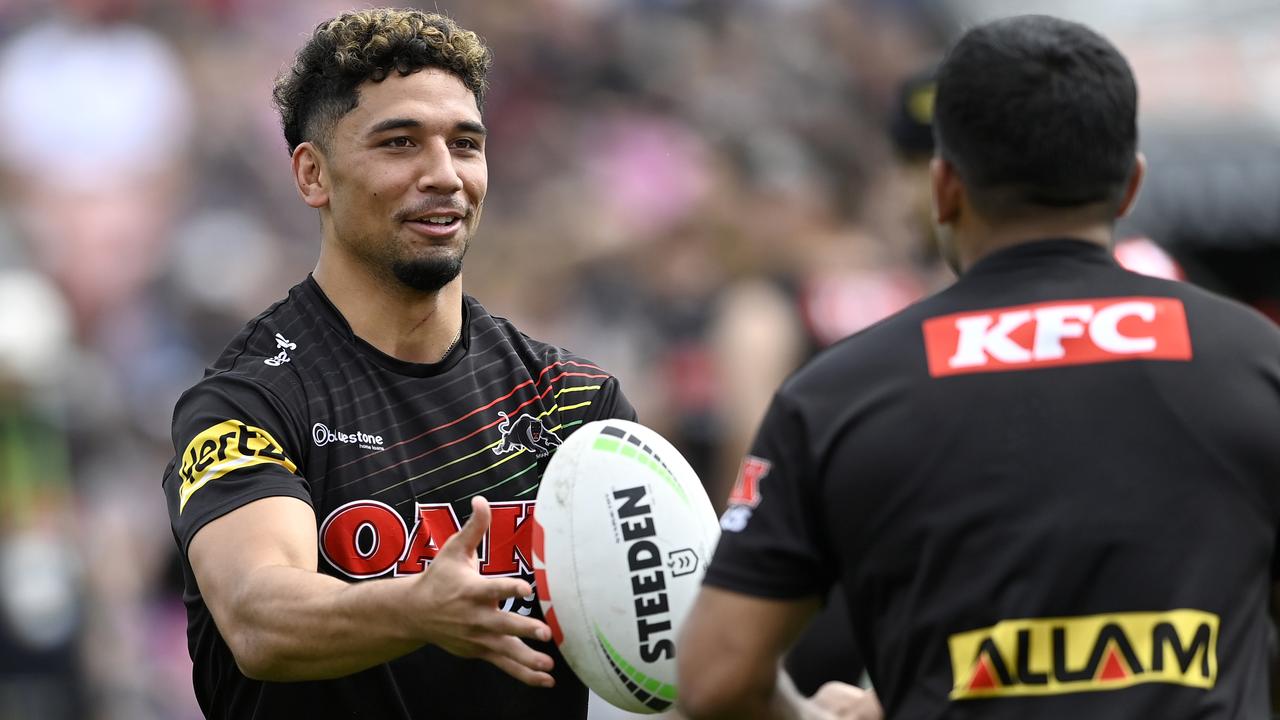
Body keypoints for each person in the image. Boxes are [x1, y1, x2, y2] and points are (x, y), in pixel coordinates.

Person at [677, 14, 1280, 719]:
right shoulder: (1257, 362)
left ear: (944, 187)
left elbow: (718, 676)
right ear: (1130, 187)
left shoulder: (840, 391)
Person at [160, 9, 637, 719]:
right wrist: (419, 608)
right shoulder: (248, 403)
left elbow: (665, 634)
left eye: (465, 145)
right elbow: (258, 619)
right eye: (400, 143)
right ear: (312, 174)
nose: (444, 175)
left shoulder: (573, 404)